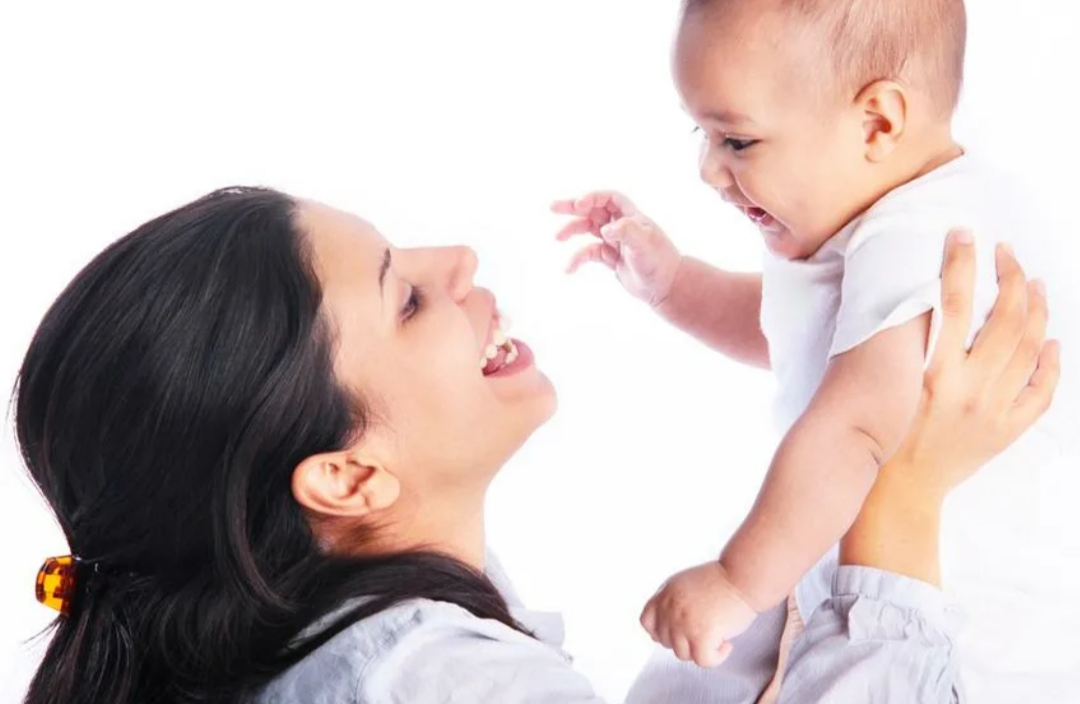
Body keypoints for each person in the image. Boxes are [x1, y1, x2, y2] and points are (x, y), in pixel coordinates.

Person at [18, 188, 1057, 704]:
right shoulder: (426, 683)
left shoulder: (344, 643)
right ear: (347, 475)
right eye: (406, 296)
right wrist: (901, 495)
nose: (459, 260)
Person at [554, 0, 1075, 698]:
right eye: (702, 134)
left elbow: (852, 429)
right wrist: (674, 285)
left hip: (958, 655)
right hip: (907, 613)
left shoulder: (916, 242)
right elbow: (806, 339)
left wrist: (736, 582)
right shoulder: (925, 209)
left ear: (878, 122)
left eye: (737, 141)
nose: (708, 169)